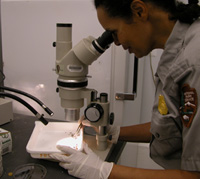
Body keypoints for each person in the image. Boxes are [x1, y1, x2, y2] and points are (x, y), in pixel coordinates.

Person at [50, 0, 200, 178]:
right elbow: (173, 127)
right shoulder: (179, 49)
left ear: (139, 11)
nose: (116, 43)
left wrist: (104, 171)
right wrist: (116, 132)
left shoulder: (193, 62)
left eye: (114, 32)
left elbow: (194, 175)